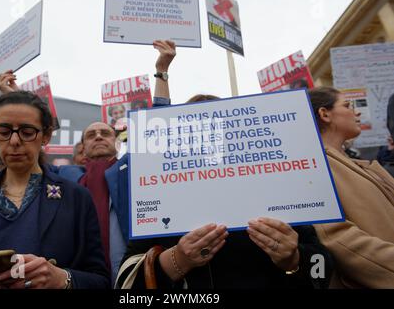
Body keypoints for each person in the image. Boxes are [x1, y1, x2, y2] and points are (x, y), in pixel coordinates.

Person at [115, 54, 333, 290]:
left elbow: (323, 268)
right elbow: (127, 284)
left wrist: (294, 259)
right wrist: (177, 260)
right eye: (194, 130)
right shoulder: (162, 201)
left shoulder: (277, 192)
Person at [0, 40, 177, 285]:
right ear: (82, 148)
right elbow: (31, 139)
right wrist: (14, 98)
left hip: (130, 279)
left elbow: (159, 126)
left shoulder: (133, 168)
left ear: (118, 142)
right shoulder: (62, 177)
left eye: (105, 133)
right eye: (91, 134)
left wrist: (162, 71)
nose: (99, 136)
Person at [0, 91, 109, 289]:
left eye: (27, 132)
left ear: (46, 136)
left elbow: (100, 280)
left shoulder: (76, 198)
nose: (14, 141)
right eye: (4, 131)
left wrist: (63, 279)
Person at [308, 87, 394, 288]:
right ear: (324, 114)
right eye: (347, 106)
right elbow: (339, 238)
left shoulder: (354, 163)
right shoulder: (315, 166)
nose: (356, 112)